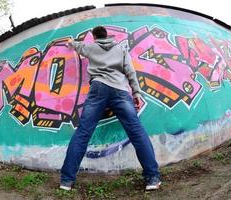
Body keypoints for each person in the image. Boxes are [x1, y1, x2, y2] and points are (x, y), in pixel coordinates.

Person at [60, 26, 161, 191]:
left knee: (83, 132)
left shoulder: (91, 47)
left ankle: (66, 181)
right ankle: (152, 178)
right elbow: (130, 71)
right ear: (107, 35)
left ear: (94, 37)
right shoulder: (121, 48)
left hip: (98, 88)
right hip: (120, 90)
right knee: (136, 131)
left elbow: (76, 45)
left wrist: (70, 42)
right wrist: (136, 93)